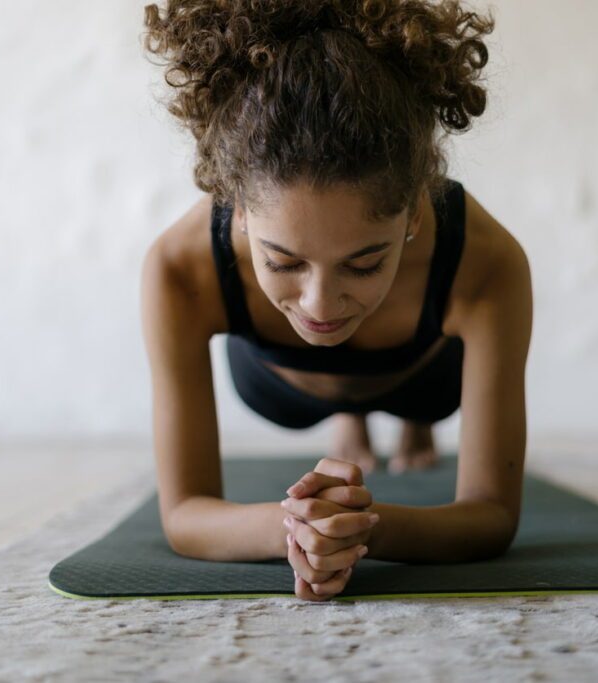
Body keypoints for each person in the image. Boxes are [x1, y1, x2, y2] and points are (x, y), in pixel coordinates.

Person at [139, 0, 532, 602]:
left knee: (423, 407)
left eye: (365, 261)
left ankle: (407, 422)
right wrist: (296, 528)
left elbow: (491, 516)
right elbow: (184, 513)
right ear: (239, 209)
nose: (320, 304)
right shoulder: (179, 269)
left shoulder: (487, 263)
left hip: (425, 376)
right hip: (283, 387)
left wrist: (357, 527)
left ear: (413, 212)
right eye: (283, 261)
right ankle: (350, 415)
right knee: (327, 374)